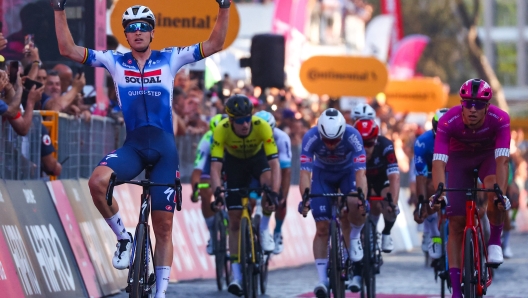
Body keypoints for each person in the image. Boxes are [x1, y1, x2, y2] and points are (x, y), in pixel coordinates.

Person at [50, 1, 231, 297]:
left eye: (143, 27)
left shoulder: (170, 58)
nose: (137, 32)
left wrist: (224, 7)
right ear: (125, 35)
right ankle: (124, 238)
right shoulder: (114, 61)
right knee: (97, 182)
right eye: (131, 28)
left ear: (152, 32)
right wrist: (58, 10)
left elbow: (214, 44)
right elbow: (68, 50)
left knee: (163, 227)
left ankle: (160, 293)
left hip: (164, 151)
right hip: (133, 147)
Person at [431, 79, 511, 298]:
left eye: (478, 104)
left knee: (494, 190)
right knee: (455, 223)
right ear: (461, 104)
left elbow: (502, 161)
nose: (473, 109)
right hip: (459, 160)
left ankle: (495, 239)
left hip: (488, 158)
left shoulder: (501, 119)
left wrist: (500, 194)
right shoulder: (449, 121)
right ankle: (456, 291)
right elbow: (439, 162)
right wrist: (440, 191)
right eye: (468, 104)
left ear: (487, 106)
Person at [210, 94, 281, 296]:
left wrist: (273, 193)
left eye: (248, 118)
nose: (245, 124)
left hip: (258, 160)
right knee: (233, 222)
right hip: (235, 165)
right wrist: (218, 193)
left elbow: (274, 164)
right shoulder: (220, 130)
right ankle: (238, 277)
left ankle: (264, 229)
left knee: (267, 187)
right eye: (240, 120)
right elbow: (215, 168)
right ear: (230, 120)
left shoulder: (261, 126)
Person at [299, 108, 367, 297]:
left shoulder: (353, 136)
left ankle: (354, 238)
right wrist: (305, 197)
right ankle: (322, 279)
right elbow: (305, 172)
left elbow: (361, 173)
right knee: (322, 228)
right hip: (323, 176)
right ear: (319, 132)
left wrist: (361, 197)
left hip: (348, 173)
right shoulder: (310, 137)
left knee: (355, 201)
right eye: (327, 141)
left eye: (335, 140)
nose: (330, 145)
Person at [353, 119, 400, 253]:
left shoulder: (385, 145)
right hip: (360, 177)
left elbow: (394, 177)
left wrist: (393, 203)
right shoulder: (350, 147)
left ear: (375, 140)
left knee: (388, 200)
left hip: (381, 177)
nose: (365, 149)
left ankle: (386, 233)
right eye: (361, 144)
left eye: (368, 144)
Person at [413, 108, 449, 260]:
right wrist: (421, 202)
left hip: (452, 170)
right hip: (431, 172)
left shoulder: (462, 138)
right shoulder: (423, 142)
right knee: (429, 189)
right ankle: (434, 233)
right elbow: (420, 175)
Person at [255, 110, 292, 254]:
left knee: (280, 200)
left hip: (274, 170)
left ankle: (277, 231)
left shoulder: (281, 138)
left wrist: (283, 196)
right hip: (255, 169)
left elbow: (286, 171)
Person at [191, 113, 227, 255]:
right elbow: (197, 171)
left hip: (229, 164)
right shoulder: (207, 139)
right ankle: (212, 233)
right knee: (205, 191)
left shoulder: (233, 136)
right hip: (210, 165)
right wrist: (195, 190)